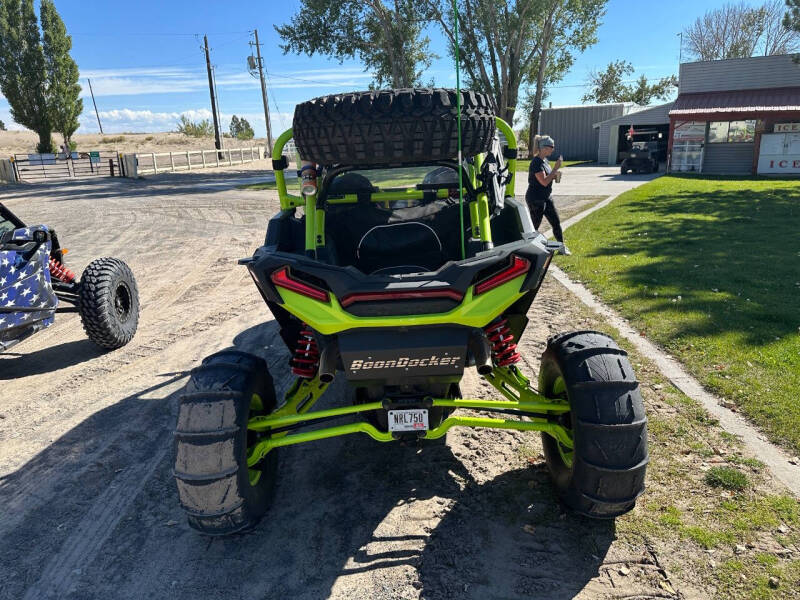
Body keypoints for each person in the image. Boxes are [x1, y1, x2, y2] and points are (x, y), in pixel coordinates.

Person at [525, 135, 570, 255]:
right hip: (536, 198)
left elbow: (547, 178)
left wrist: (555, 175)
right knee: (534, 226)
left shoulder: (545, 161)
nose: (553, 149)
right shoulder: (536, 162)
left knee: (556, 222)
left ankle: (561, 247)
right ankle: (527, 250)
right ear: (544, 148)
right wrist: (555, 169)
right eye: (552, 147)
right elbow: (544, 182)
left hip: (546, 197)